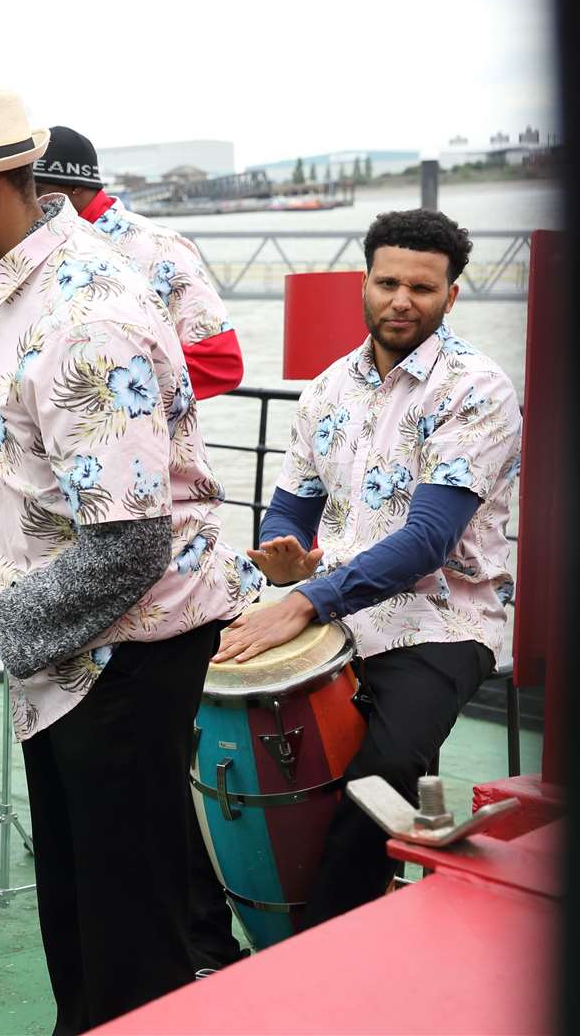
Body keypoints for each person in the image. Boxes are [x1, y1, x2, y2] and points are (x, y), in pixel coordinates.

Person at [0, 89, 261, 1033]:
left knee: (129, 942)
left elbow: (130, 543)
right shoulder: (23, 292)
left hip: (126, 658)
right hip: (77, 656)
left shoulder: (86, 317)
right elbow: (65, 485)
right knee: (81, 924)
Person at [213, 209, 521, 925]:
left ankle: (318, 950)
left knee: (383, 767)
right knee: (182, 719)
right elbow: (291, 509)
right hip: (336, 605)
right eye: (388, 282)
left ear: (452, 295)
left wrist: (305, 600)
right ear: (365, 281)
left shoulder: (477, 388)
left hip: (444, 620)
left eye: (423, 287)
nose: (402, 300)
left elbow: (427, 541)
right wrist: (286, 554)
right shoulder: (325, 390)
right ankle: (208, 939)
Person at [33, 123, 249, 974]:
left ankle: (199, 944)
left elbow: (223, 358)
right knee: (121, 822)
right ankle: (183, 944)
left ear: (69, 188)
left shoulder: (154, 247)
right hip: (74, 534)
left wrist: (131, 388)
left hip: (148, 542)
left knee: (149, 795)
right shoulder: (39, 255)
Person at [33, 126, 243, 399]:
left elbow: (221, 364)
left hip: (134, 438)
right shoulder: (44, 245)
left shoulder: (161, 249)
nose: (28, 205)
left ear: (75, 186)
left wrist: (102, 393)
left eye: (36, 191)